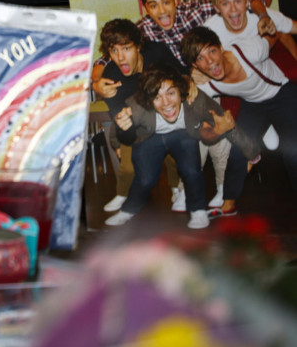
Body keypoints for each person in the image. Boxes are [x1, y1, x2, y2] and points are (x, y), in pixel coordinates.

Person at [106, 63, 231, 230]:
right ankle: (128, 211)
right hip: (150, 137)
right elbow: (117, 126)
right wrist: (117, 145)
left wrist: (250, 151)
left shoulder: (194, 97)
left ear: (180, 90)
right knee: (145, 178)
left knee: (191, 170)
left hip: (182, 133)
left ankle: (198, 209)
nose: (166, 103)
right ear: (149, 99)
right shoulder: (136, 105)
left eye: (171, 93)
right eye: (157, 97)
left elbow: (222, 117)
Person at [182, 26, 297, 196]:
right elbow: (200, 129)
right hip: (252, 103)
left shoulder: (248, 50)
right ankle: (228, 202)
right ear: (195, 65)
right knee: (237, 154)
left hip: (280, 93)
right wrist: (216, 130)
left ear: (221, 48)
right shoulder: (203, 85)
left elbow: (276, 32)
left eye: (212, 51)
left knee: (293, 151)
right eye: (200, 58)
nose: (210, 62)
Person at [92, 19, 183, 213]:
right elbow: (119, 113)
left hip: (168, 115)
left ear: (138, 46)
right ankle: (124, 194)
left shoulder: (157, 53)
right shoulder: (111, 74)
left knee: (174, 154)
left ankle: (177, 189)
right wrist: (121, 138)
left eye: (126, 48)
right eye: (114, 50)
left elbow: (182, 75)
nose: (120, 57)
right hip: (139, 124)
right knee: (128, 166)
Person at [204, 0, 297, 76]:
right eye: (225, 4)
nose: (233, 9)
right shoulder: (209, 31)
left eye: (238, 1)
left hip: (270, 79)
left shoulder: (263, 18)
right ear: (217, 8)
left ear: (246, 2)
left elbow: (293, 27)